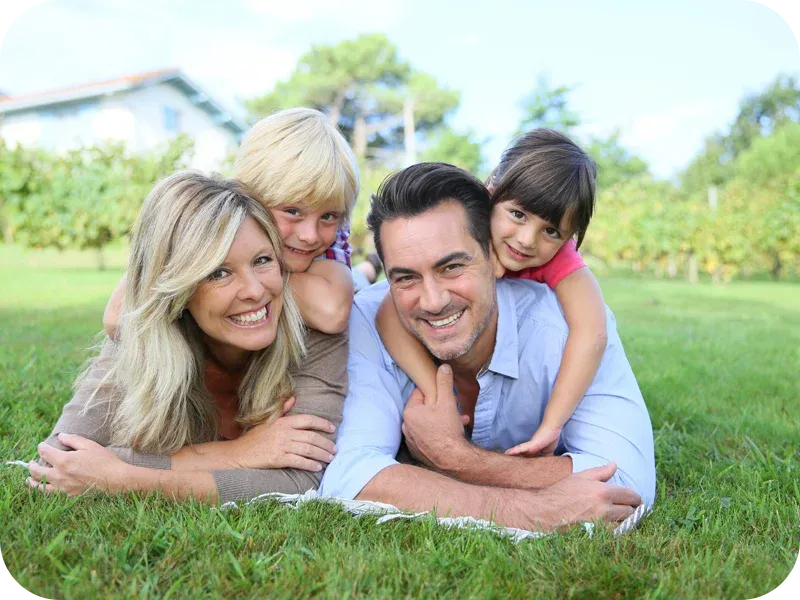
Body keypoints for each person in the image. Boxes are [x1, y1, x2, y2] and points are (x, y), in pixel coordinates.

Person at [319, 162, 655, 531]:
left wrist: (457, 458)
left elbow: (626, 485)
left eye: (452, 268)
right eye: (406, 278)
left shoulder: (566, 331)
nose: (432, 301)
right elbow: (351, 476)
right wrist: (533, 510)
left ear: (494, 256)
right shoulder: (368, 320)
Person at [29, 172, 347, 504]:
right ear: (177, 289)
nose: (255, 291)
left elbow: (302, 478)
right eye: (218, 273)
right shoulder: (142, 336)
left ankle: (366, 269)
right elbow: (58, 459)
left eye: (262, 260)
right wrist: (238, 453)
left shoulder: (314, 333)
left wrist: (124, 478)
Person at [376, 129, 606, 456]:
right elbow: (388, 313)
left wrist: (552, 424)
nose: (527, 239)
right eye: (517, 214)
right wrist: (436, 393)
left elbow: (592, 333)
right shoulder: (467, 222)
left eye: (551, 230)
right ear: (492, 192)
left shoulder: (563, 259)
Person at [103, 107, 360, 337]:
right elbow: (117, 320)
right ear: (252, 197)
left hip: (332, 278)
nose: (310, 235)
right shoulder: (214, 220)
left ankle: (365, 270)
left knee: (360, 284)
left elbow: (332, 312)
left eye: (328, 216)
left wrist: (212, 280)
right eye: (292, 211)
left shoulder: (330, 237)